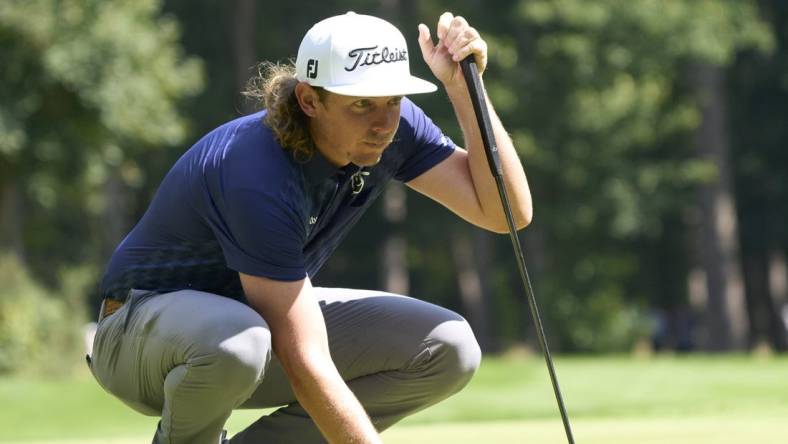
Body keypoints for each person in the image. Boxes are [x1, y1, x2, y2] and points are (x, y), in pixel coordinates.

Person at [88, 11, 531, 444]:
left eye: (393, 100)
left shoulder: (393, 129)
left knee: (447, 347)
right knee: (236, 342)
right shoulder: (256, 170)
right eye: (361, 104)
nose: (383, 124)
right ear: (309, 100)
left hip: (251, 326)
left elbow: (506, 212)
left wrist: (463, 91)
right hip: (137, 337)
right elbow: (303, 358)